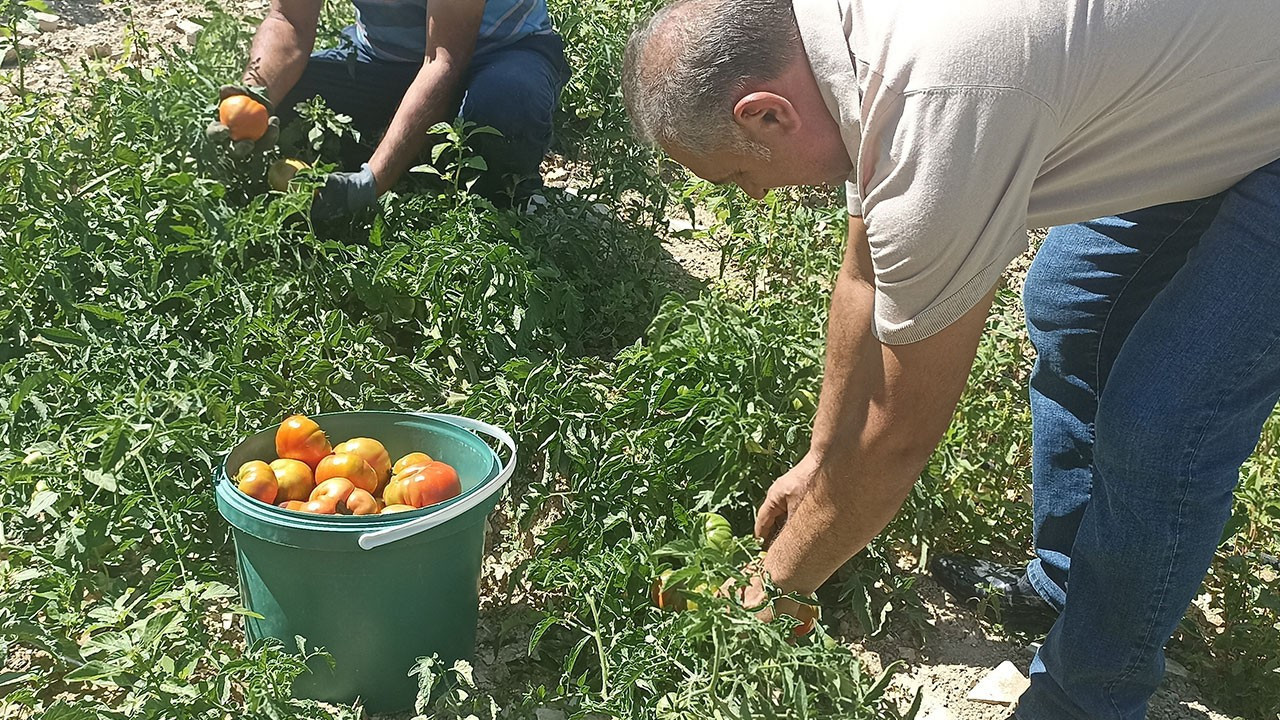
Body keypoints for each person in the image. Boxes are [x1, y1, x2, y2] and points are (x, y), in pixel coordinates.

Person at [621, 0, 1280, 717]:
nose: (753, 193)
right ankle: (1068, 582)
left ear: (767, 114)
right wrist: (819, 457)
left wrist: (773, 588)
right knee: (1072, 305)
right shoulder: (838, 46)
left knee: (1161, 418)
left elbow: (897, 439)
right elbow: (863, 269)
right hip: (1217, 82)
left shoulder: (931, 107)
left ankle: (1088, 694)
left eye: (736, 175)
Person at [211, 0, 571, 218]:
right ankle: (416, 150)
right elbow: (289, 19)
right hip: (385, 59)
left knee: (502, 108)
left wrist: (371, 183)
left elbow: (443, 60)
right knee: (285, 97)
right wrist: (253, 100)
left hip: (499, 53)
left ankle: (509, 184)